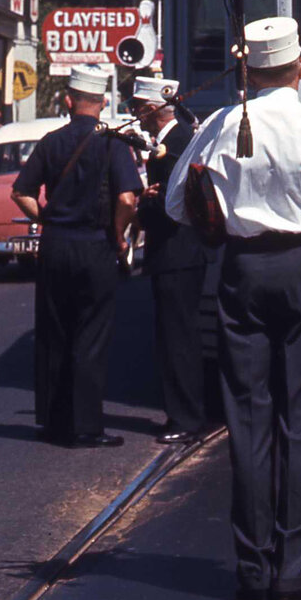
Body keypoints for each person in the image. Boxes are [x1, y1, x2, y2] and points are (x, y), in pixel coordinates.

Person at [167, 16, 301, 600]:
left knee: (248, 417)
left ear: (246, 69)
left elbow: (179, 201)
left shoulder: (223, 123)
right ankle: (295, 568)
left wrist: (228, 219)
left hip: (241, 268)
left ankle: (252, 568)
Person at [10, 65, 141, 448]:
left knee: (54, 332)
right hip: (95, 244)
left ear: (68, 101)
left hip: (55, 245)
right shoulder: (113, 143)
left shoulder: (51, 142)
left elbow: (21, 192)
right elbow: (127, 199)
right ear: (102, 103)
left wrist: (48, 219)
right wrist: (118, 235)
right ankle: (86, 427)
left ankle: (53, 422)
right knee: (90, 334)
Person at [133, 76, 208, 447]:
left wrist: (142, 204)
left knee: (178, 339)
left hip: (177, 252)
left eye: (137, 109)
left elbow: (174, 206)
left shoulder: (177, 143)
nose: (134, 116)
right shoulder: (175, 141)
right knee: (175, 336)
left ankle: (187, 418)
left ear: (150, 109)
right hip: (178, 255)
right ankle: (183, 413)